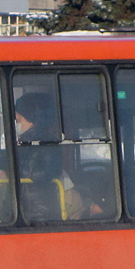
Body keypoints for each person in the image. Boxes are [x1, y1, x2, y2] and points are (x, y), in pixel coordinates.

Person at [14, 92, 91, 220]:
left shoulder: (48, 142)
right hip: (24, 205)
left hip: (41, 207)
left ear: (31, 120)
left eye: (19, 120)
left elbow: (46, 173)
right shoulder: (20, 142)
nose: (17, 124)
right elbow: (4, 160)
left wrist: (18, 172)